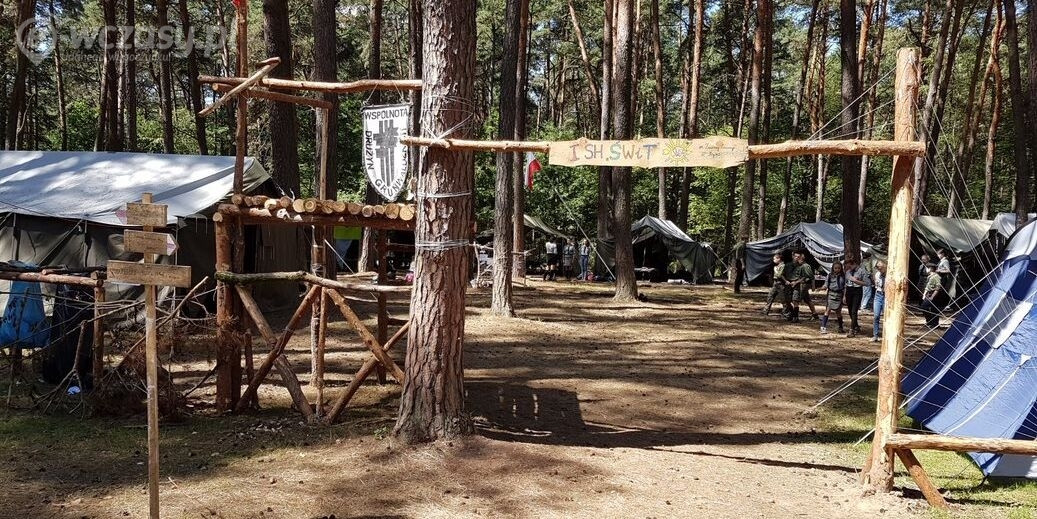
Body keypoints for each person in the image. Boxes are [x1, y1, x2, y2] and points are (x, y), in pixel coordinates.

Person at [789, 251, 819, 323]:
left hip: (804, 285)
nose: (797, 259)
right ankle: (815, 314)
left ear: (801, 259)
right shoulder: (800, 266)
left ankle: (795, 317)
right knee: (807, 300)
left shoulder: (805, 266)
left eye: (798, 258)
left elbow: (810, 276)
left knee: (796, 300)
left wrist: (813, 286)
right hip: (802, 284)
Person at [844, 257, 869, 338]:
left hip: (857, 290)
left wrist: (856, 281)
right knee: (850, 310)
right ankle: (856, 325)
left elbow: (867, 283)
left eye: (850, 266)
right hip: (849, 290)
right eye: (848, 267)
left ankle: (852, 330)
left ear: (854, 264)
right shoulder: (848, 272)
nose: (849, 268)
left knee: (854, 311)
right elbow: (846, 284)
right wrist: (844, 295)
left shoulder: (861, 271)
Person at [820, 261, 846, 334]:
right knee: (828, 310)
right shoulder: (829, 276)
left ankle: (840, 327)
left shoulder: (843, 276)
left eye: (839, 268)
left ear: (841, 268)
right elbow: (826, 284)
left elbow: (845, 287)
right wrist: (822, 287)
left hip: (839, 295)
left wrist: (844, 296)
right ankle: (823, 327)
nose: (837, 269)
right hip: (831, 294)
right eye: (835, 268)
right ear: (833, 268)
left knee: (838, 312)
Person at [921, 262, 943, 329]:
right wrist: (924, 294)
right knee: (925, 307)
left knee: (932, 309)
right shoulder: (929, 277)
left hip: (934, 294)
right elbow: (927, 287)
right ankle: (930, 322)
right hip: (929, 294)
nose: (926, 270)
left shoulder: (936, 277)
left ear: (930, 269)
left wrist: (932, 296)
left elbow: (937, 288)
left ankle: (934, 324)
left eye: (927, 268)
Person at [872, 260, 887, 342]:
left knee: (886, 316)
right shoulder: (877, 274)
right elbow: (876, 285)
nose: (879, 269)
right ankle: (875, 335)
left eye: (880, 267)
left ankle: (886, 335)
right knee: (876, 316)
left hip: (886, 296)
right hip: (878, 295)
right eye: (878, 267)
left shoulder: (889, 275)